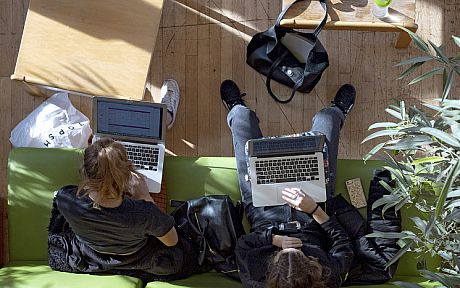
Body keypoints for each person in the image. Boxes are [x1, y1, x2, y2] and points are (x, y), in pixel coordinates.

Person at [220, 80, 401, 288]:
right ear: (310, 266)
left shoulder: (255, 279)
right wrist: (315, 210)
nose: (290, 245)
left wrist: (274, 240)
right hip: (312, 205)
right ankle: (339, 111)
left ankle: (235, 107)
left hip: (264, 207)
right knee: (329, 119)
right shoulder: (328, 278)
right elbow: (343, 244)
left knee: (241, 118)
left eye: (280, 255)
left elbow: (243, 246)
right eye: (299, 251)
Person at [48, 80, 202, 281]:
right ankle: (165, 116)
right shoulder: (145, 213)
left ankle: (160, 115)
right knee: (161, 183)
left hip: (94, 256)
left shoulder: (65, 199)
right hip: (138, 257)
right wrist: (145, 196)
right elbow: (172, 242)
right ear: (128, 174)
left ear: (85, 172)